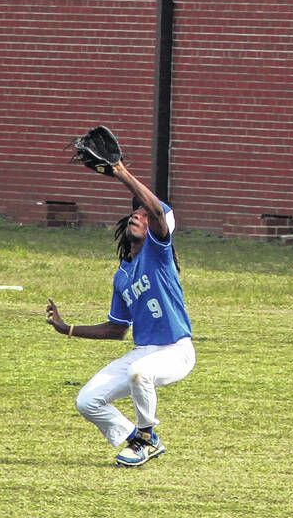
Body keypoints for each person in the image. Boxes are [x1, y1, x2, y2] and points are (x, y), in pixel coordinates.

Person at [45, 159, 196, 467]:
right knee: (87, 401)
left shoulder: (159, 255)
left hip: (176, 351)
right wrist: (67, 329)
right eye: (134, 212)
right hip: (144, 351)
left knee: (140, 373)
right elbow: (116, 330)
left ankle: (145, 438)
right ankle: (139, 440)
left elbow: (156, 211)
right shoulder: (123, 275)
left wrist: (122, 173)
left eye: (144, 213)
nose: (137, 215)